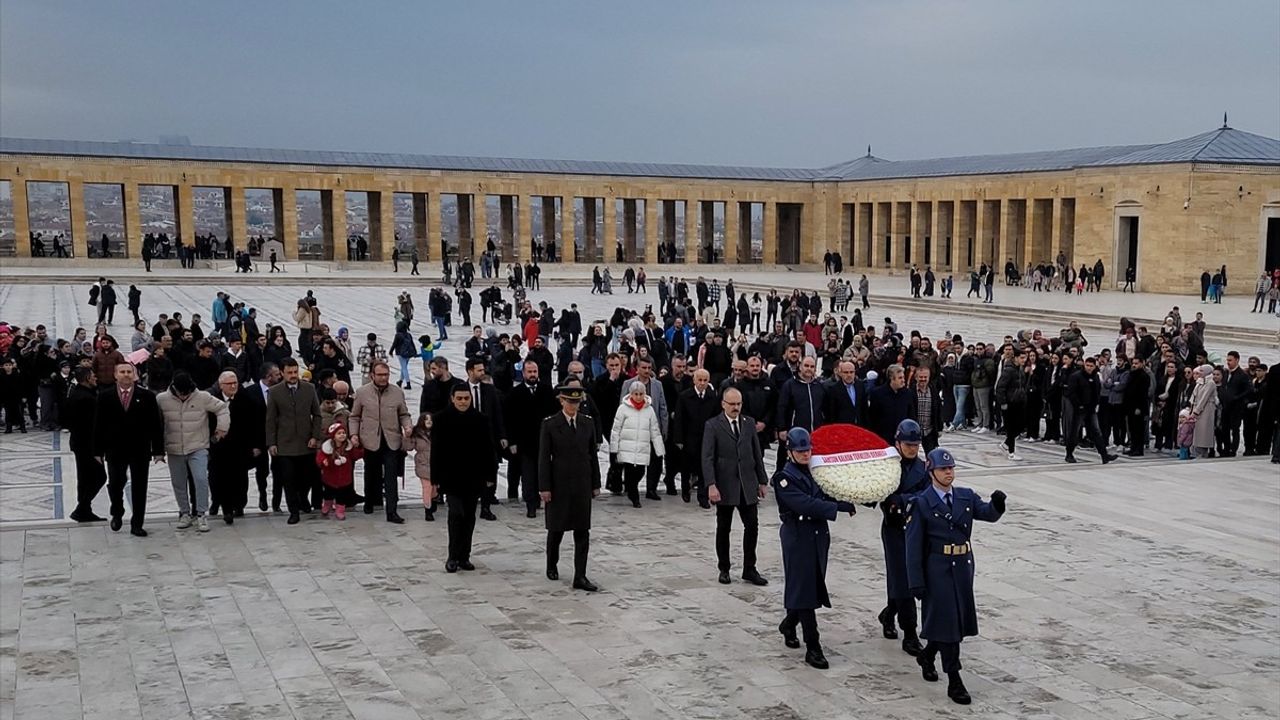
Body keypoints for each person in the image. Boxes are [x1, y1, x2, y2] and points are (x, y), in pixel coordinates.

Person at [905, 447, 1007, 705]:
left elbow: (986, 513)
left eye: (951, 468)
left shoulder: (965, 496)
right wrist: (915, 581)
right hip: (937, 570)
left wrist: (997, 505)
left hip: (962, 568)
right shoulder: (922, 503)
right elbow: (913, 547)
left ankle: (928, 655)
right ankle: (954, 679)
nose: (949, 473)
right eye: (943, 469)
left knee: (954, 622)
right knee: (949, 624)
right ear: (931, 472)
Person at [773, 427, 857, 669]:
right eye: (800, 451)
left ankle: (789, 624)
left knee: (809, 586)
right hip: (798, 538)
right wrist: (836, 509)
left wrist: (847, 501)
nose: (805, 454)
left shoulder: (814, 473)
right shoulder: (784, 478)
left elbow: (827, 493)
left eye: (807, 450)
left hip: (818, 536)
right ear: (789, 452)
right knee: (806, 590)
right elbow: (806, 504)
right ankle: (813, 646)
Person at [701, 387, 769, 586]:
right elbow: (707, 457)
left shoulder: (748, 424)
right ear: (723, 404)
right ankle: (724, 568)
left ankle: (750, 568)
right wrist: (711, 485)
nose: (736, 408)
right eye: (732, 404)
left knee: (752, 526)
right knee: (724, 528)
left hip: (747, 483)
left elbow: (756, 453)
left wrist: (762, 480)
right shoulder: (713, 425)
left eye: (739, 404)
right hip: (725, 484)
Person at [539, 385, 603, 591]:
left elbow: (592, 455)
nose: (572, 405)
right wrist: (544, 487)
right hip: (559, 484)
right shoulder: (550, 424)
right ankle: (551, 564)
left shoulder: (587, 423)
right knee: (556, 529)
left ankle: (580, 575)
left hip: (582, 484)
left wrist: (595, 483)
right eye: (569, 401)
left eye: (576, 402)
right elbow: (544, 458)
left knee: (582, 530)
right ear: (561, 401)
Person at [876, 419, 931, 656]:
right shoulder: (887, 465)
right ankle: (910, 632)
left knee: (909, 577)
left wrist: (903, 500)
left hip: (916, 529)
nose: (912, 449)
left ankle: (889, 614)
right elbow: (875, 493)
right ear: (897, 443)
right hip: (894, 529)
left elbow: (927, 495)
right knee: (901, 577)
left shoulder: (924, 468)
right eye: (908, 444)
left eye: (916, 444)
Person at [431, 384, 498, 571]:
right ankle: (452, 556)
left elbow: (488, 449)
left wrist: (490, 475)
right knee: (456, 514)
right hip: (450, 477)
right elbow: (436, 451)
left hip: (473, 476)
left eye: (466, 399)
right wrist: (434, 480)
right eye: (459, 398)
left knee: (469, 516)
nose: (463, 402)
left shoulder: (480, 419)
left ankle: (464, 556)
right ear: (452, 398)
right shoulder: (441, 419)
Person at [93, 363, 164, 537]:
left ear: (135, 375)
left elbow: (155, 424)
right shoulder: (104, 396)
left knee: (140, 486)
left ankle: (137, 523)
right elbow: (98, 425)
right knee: (116, 482)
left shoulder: (146, 396)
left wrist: (158, 450)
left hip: (139, 448)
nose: (126, 375)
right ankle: (117, 511)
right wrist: (97, 450)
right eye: (122, 372)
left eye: (129, 372)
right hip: (114, 448)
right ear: (115, 375)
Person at [157, 372, 229, 533]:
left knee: (201, 479)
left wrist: (221, 429)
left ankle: (201, 513)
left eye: (187, 393)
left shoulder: (202, 397)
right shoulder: (162, 399)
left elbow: (222, 408)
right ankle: (184, 512)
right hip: (174, 448)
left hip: (198, 445)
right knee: (179, 483)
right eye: (181, 393)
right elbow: (155, 423)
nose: (184, 396)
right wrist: (157, 450)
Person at [349, 361, 414, 524]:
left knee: (391, 476)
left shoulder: (397, 392)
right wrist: (354, 434)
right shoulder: (362, 392)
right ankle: (370, 501)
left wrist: (407, 426)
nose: (383, 378)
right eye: (380, 375)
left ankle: (392, 510)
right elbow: (355, 416)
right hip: (370, 439)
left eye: (386, 375)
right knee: (371, 473)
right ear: (372, 375)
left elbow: (404, 414)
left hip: (391, 439)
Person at [264, 358, 324, 524]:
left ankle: (302, 497)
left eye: (295, 372)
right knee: (288, 478)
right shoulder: (275, 392)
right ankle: (293, 510)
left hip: (306, 442)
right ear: (282, 373)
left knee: (307, 477)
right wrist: (272, 443)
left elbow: (317, 415)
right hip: (285, 444)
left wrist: (315, 436)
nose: (292, 376)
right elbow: (270, 419)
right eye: (289, 372)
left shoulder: (309, 388)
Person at [208, 370, 262, 524]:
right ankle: (223, 506)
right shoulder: (213, 401)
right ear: (221, 385)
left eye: (235, 383)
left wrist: (256, 445)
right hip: (219, 448)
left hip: (240, 447)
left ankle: (239, 505)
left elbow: (255, 424)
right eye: (229, 384)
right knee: (218, 478)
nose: (233, 386)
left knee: (239, 478)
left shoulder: (246, 400)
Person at [506, 361, 558, 517]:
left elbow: (554, 416)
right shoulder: (515, 393)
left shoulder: (547, 391)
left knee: (544, 472)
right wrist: (512, 441)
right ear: (523, 373)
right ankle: (531, 504)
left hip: (544, 441)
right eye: (529, 371)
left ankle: (543, 500)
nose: (533, 374)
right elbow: (510, 420)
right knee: (528, 474)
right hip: (525, 442)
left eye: (535, 371)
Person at [609, 380, 666, 508]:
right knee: (630, 475)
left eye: (641, 394)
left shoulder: (649, 410)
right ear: (631, 394)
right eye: (636, 394)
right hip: (626, 447)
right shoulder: (623, 409)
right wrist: (614, 449)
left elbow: (655, 431)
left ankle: (631, 491)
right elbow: (616, 429)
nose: (639, 397)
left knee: (640, 472)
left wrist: (659, 449)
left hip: (642, 447)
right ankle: (634, 497)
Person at [673, 369, 720, 506]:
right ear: (694, 380)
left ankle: (703, 497)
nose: (702, 383)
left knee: (704, 467)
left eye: (705, 380)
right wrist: (679, 439)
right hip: (689, 437)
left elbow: (716, 417)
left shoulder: (713, 397)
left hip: (706, 437)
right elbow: (679, 419)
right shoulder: (685, 396)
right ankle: (685, 489)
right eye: (699, 380)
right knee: (686, 466)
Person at [65, 367, 106, 522]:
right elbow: (93, 425)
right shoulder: (86, 398)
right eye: (94, 376)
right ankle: (82, 507)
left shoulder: (77, 393)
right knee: (99, 476)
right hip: (87, 444)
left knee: (85, 478)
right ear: (87, 378)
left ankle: (84, 510)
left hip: (79, 442)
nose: (96, 378)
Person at [408, 413, 437, 520]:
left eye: (431, 420)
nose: (429, 421)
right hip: (423, 464)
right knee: (427, 487)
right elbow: (409, 447)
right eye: (426, 419)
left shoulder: (437, 433)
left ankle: (432, 500)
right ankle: (427, 511)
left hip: (435, 465)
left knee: (434, 489)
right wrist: (406, 436)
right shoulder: (417, 434)